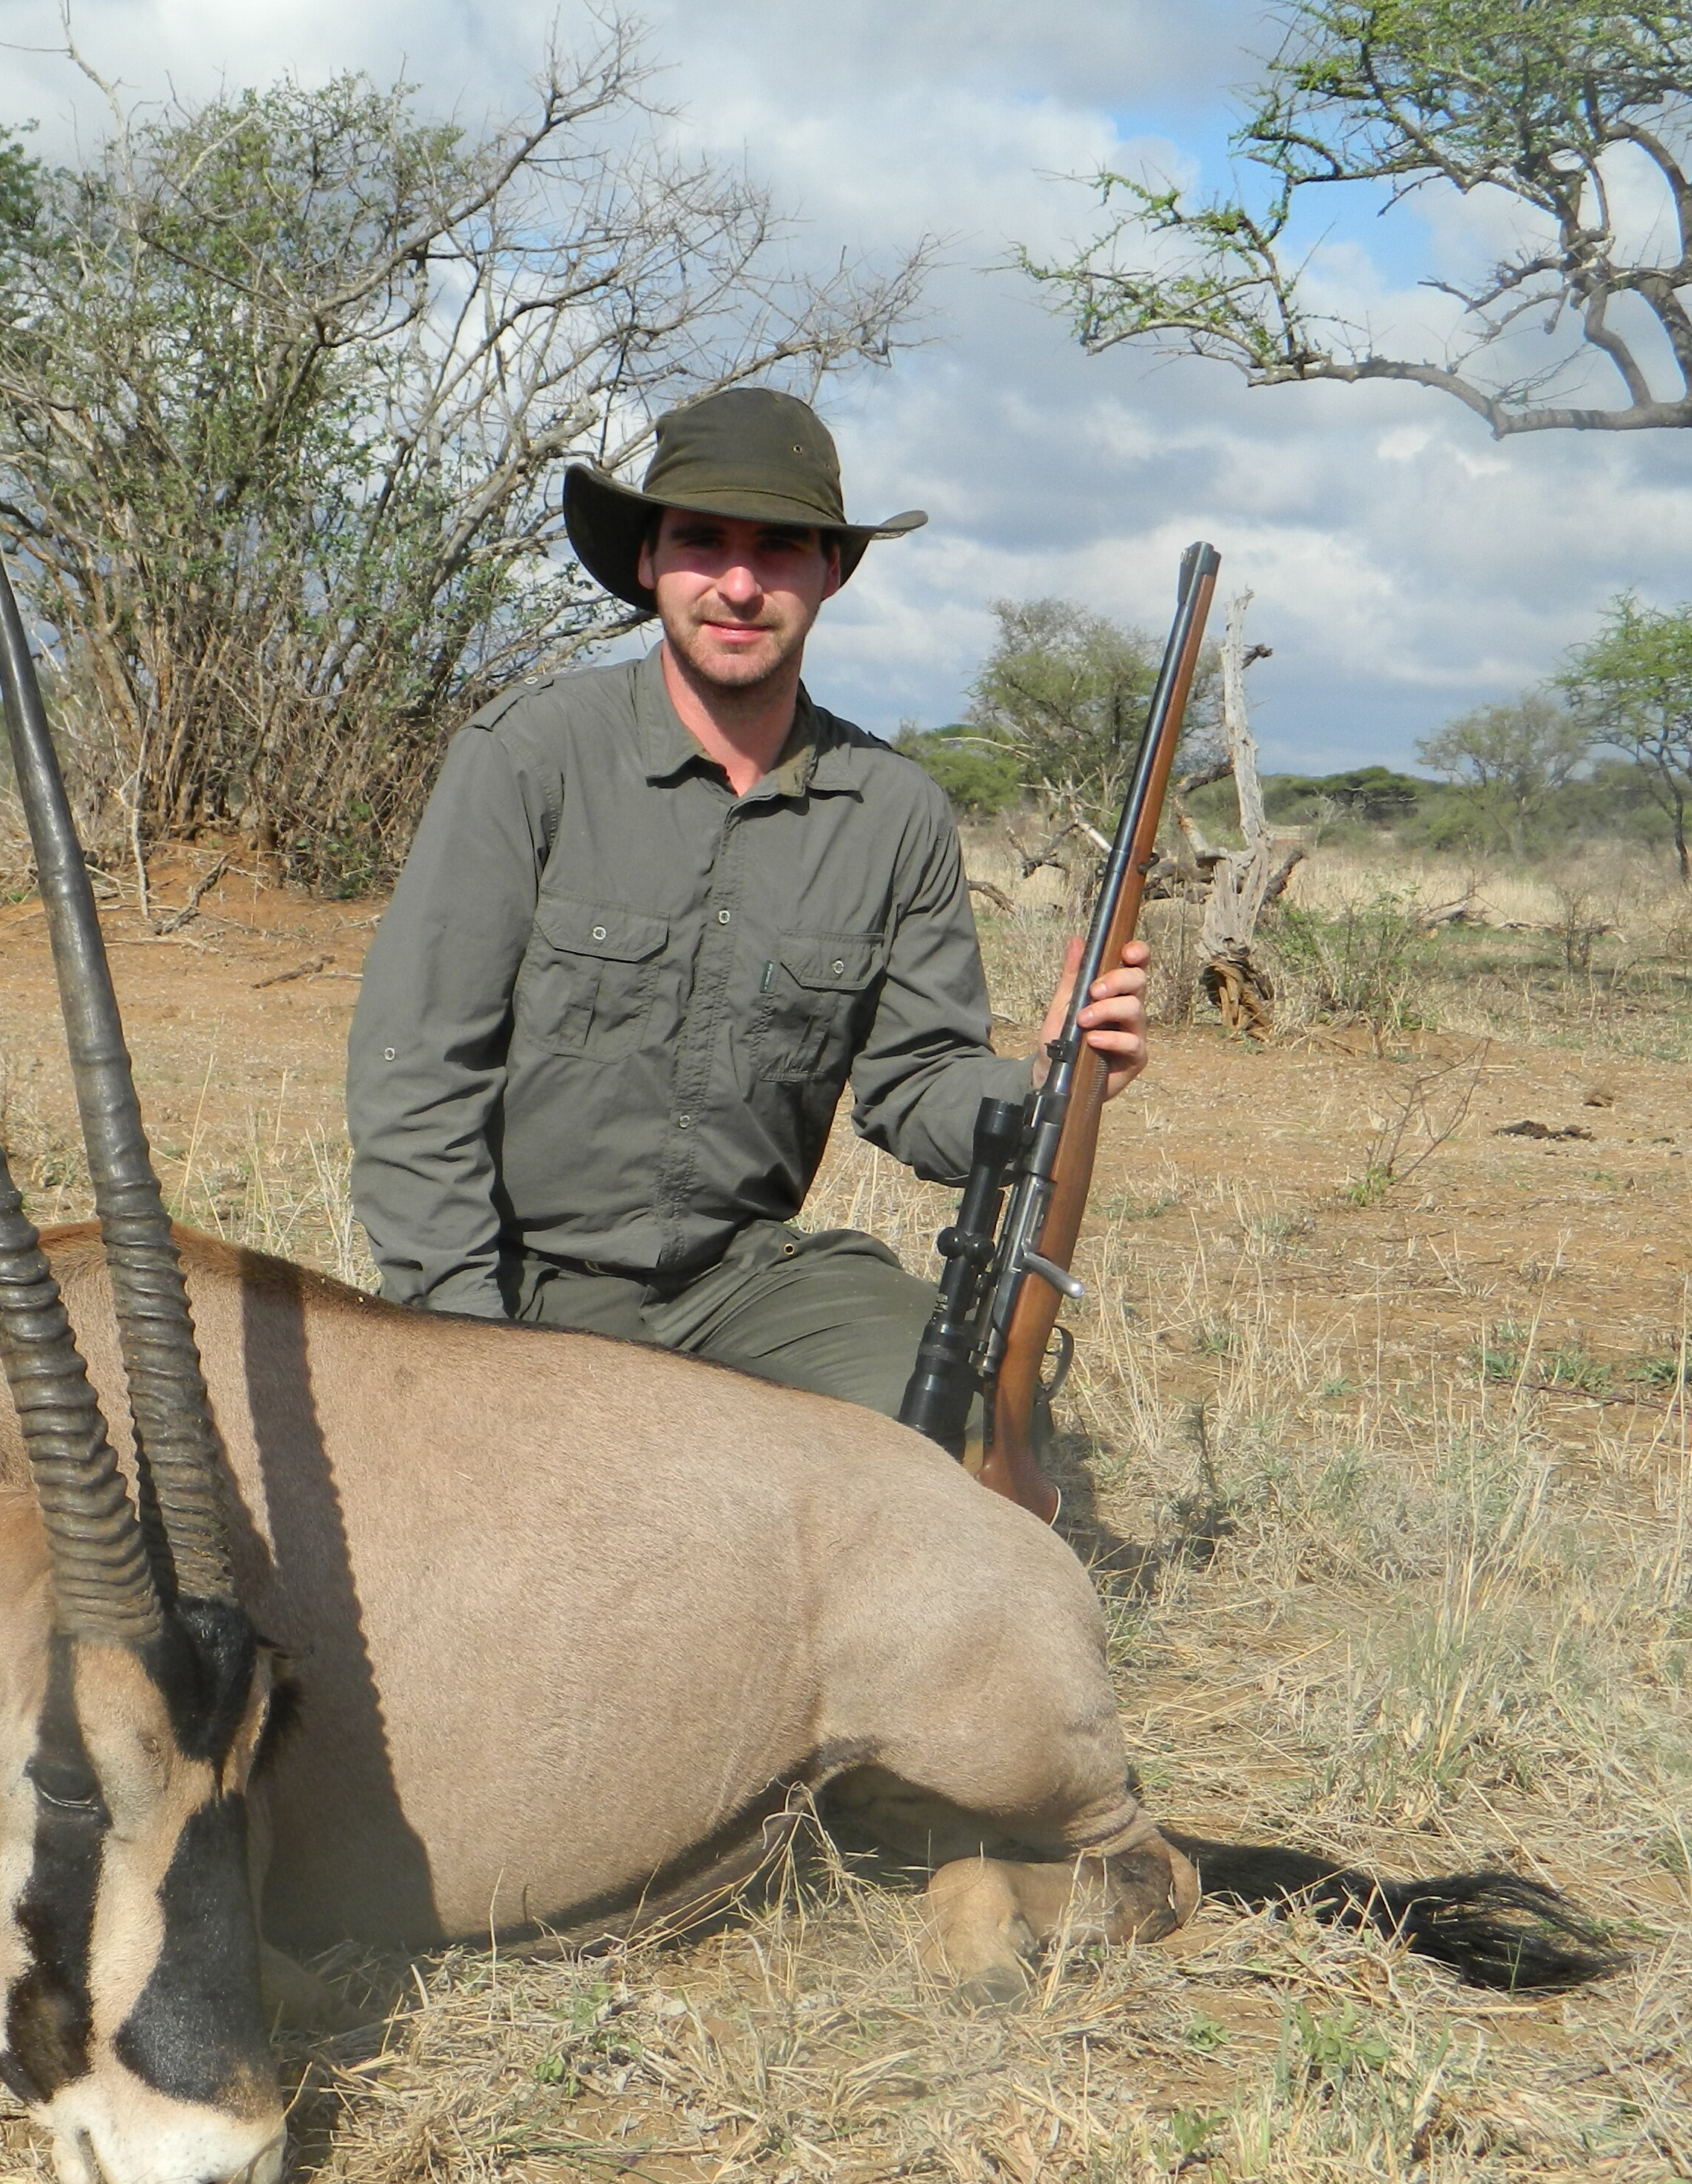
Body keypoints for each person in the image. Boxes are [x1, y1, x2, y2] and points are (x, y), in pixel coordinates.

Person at [346, 386, 1152, 1416]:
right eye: (703, 541)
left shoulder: (895, 809)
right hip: (523, 1280)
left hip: (739, 1286)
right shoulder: (530, 756)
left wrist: (1052, 1079)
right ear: (648, 560)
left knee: (954, 1407)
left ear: (833, 569)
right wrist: (465, 1342)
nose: (737, 584)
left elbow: (918, 1087)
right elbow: (415, 1074)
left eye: (778, 548)